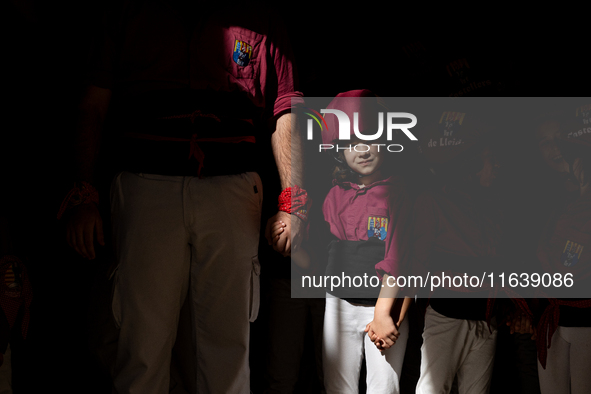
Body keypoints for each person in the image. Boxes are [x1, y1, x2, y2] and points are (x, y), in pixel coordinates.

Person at [59, 2, 304, 393]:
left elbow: (286, 108)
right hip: (144, 189)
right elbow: (92, 104)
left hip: (233, 191)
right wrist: (83, 193)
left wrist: (295, 200)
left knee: (227, 347)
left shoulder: (260, 13)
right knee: (141, 346)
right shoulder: (124, 10)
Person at [272, 90, 413, 394]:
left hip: (383, 307)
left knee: (384, 387)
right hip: (339, 305)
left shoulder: (400, 194)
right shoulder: (332, 197)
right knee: (337, 387)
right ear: (338, 151)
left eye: (370, 138)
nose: (361, 150)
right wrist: (289, 241)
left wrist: (383, 314)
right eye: (350, 143)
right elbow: (316, 255)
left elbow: (401, 259)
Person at [407, 109, 503, 394]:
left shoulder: (493, 207)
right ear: (469, 163)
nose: (497, 166)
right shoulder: (433, 201)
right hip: (446, 317)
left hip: (486, 319)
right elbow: (417, 263)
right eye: (490, 160)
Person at [533, 107, 591, 394]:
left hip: (585, 320)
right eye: (544, 141)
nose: (554, 147)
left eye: (559, 138)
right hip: (551, 321)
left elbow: (569, 262)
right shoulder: (542, 196)